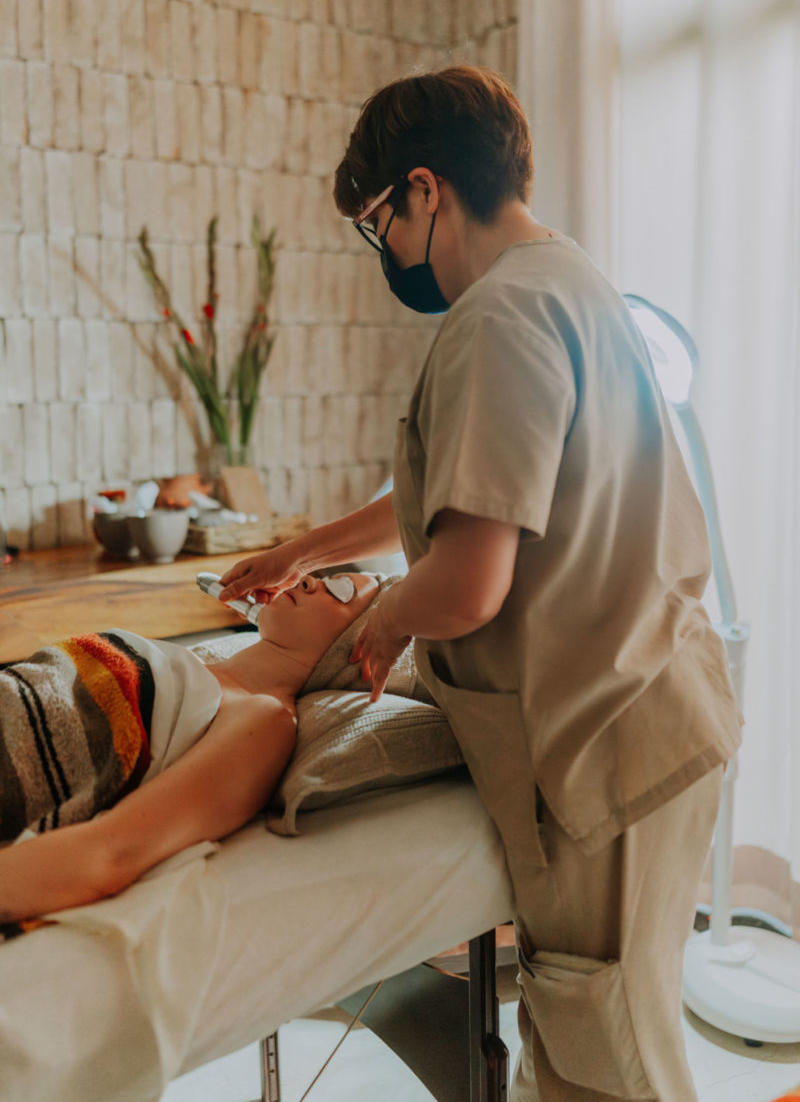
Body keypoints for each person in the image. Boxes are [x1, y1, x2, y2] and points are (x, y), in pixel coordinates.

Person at [218, 66, 743, 1100]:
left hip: (604, 751)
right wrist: (308, 553)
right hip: (660, 714)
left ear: (425, 190)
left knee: (610, 1066)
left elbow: (465, 583)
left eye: (378, 224)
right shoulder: (565, 280)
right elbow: (481, 488)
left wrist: (376, 624)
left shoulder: (494, 319)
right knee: (604, 1045)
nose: (385, 251)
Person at [0, 572, 379, 929]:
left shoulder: (265, 719)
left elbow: (114, 851)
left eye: (340, 591)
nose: (309, 580)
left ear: (362, 649)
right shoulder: (194, 663)